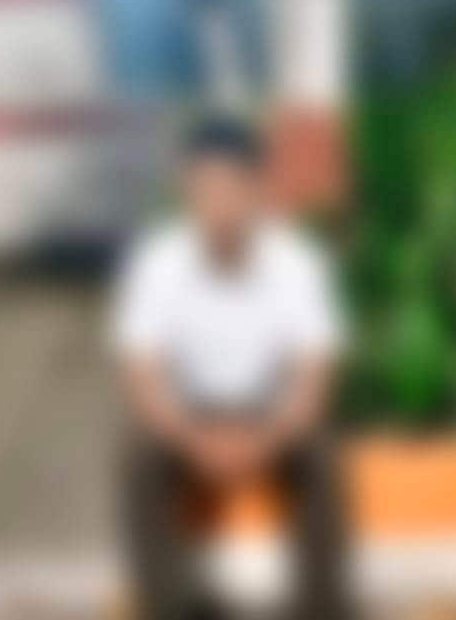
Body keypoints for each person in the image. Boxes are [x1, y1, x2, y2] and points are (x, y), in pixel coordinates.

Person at [110, 113, 349, 620]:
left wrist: (264, 439)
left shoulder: (297, 261)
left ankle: (320, 609)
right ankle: (171, 609)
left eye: (229, 188)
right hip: (189, 409)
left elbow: (313, 377)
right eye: (203, 190)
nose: (216, 205)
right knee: (137, 458)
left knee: (323, 458)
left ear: (256, 190)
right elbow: (142, 374)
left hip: (272, 409)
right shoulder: (157, 260)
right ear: (186, 193)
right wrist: (195, 439)